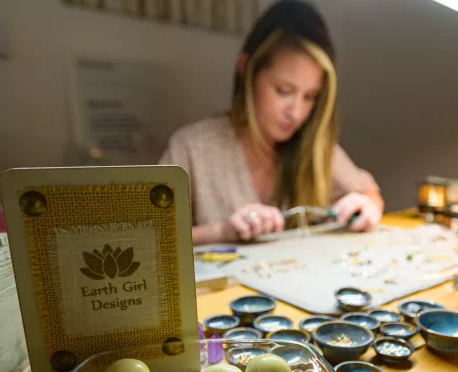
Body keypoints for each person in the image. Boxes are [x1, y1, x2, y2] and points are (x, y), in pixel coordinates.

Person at [159, 0, 383, 245]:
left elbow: (369, 191)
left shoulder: (313, 146)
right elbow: (147, 240)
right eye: (283, 91)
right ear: (246, 69)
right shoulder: (193, 149)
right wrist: (221, 232)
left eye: (310, 97)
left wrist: (367, 206)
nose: (296, 114)